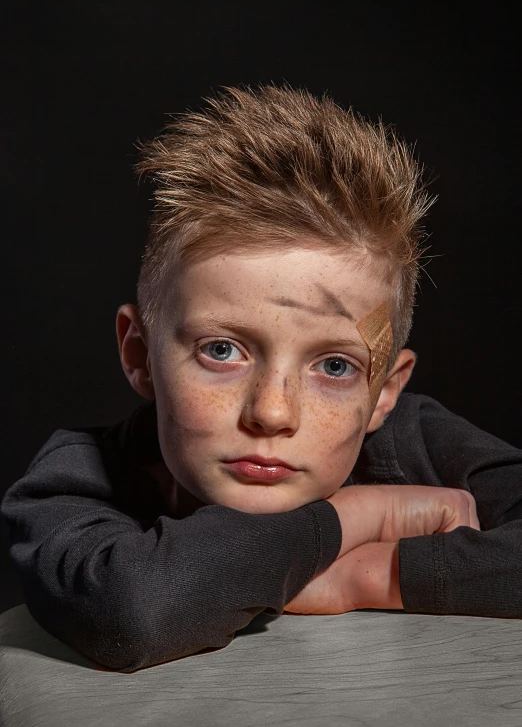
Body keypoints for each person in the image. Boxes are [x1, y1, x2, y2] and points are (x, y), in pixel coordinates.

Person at [2, 85, 521, 674]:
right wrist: (356, 518)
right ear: (140, 353)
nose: (273, 413)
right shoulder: (72, 480)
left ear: (385, 394)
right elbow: (137, 612)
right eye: (223, 350)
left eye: (334, 366)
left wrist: (372, 575)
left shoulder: (411, 440)